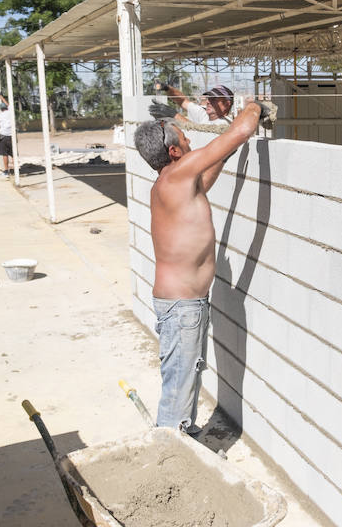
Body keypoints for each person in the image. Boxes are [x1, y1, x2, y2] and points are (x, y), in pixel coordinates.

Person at [133, 100, 270, 434]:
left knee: (183, 380)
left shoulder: (169, 184)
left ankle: (183, 439)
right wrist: (254, 105)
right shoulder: (178, 175)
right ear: (175, 152)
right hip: (182, 307)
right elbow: (241, 130)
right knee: (178, 389)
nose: (191, 142)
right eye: (185, 139)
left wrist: (220, 157)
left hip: (181, 305)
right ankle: (171, 457)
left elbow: (203, 183)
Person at [149, 82, 234, 127]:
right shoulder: (203, 114)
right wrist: (167, 88)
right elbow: (183, 101)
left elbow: (199, 132)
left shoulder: (224, 124)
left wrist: (173, 114)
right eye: (209, 98)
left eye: (214, 99)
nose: (208, 101)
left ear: (227, 104)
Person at [0, 100, 15, 177]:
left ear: (1, 109)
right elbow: (9, 104)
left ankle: (6, 171)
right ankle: (15, 170)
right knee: (13, 154)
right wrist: (1, 97)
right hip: (12, 136)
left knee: (5, 154)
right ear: (6, 107)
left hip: (4, 136)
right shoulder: (11, 112)